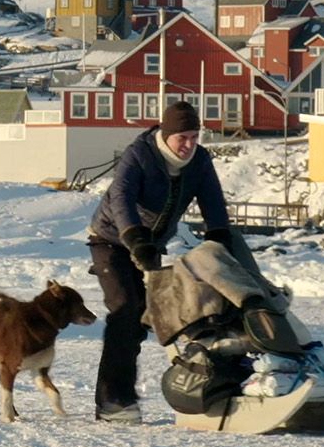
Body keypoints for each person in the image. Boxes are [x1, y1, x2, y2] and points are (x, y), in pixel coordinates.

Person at [85, 100, 268, 423]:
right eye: (182, 138)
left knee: (155, 316)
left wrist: (220, 237)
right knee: (125, 309)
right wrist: (134, 238)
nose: (188, 145)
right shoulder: (139, 155)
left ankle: (219, 380)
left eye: (194, 137)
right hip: (112, 241)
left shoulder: (198, 161)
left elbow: (212, 200)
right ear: (166, 135)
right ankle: (112, 400)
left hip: (150, 245)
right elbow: (121, 199)